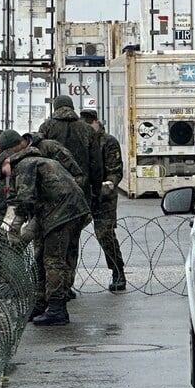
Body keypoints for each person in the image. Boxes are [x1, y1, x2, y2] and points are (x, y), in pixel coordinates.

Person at [0, 142, 90, 326]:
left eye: (3, 170)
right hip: (75, 211)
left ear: (8, 161)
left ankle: (57, 309)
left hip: (60, 214)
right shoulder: (41, 161)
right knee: (49, 257)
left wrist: (15, 225)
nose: (5, 176)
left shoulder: (24, 165)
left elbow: (25, 199)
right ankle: (41, 303)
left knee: (53, 260)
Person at [81, 109, 126, 291]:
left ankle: (118, 271)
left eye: (90, 124)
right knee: (68, 237)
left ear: (97, 123)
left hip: (104, 195)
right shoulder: (81, 140)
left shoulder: (108, 141)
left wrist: (110, 184)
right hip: (83, 193)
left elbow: (115, 170)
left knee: (104, 234)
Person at [38, 94, 103, 206]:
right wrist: (97, 190)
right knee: (78, 219)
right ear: (72, 107)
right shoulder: (87, 129)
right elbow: (96, 162)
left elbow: (40, 157)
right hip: (80, 185)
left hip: (54, 185)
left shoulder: (46, 127)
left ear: (55, 108)